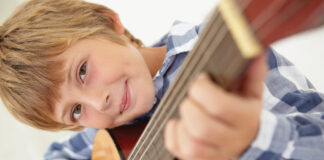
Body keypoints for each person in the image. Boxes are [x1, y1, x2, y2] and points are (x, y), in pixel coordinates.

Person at [0, 0, 323, 160]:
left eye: (82, 71)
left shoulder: (221, 55)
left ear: (110, 23)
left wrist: (253, 138)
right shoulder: (107, 131)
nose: (98, 102)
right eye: (75, 111)